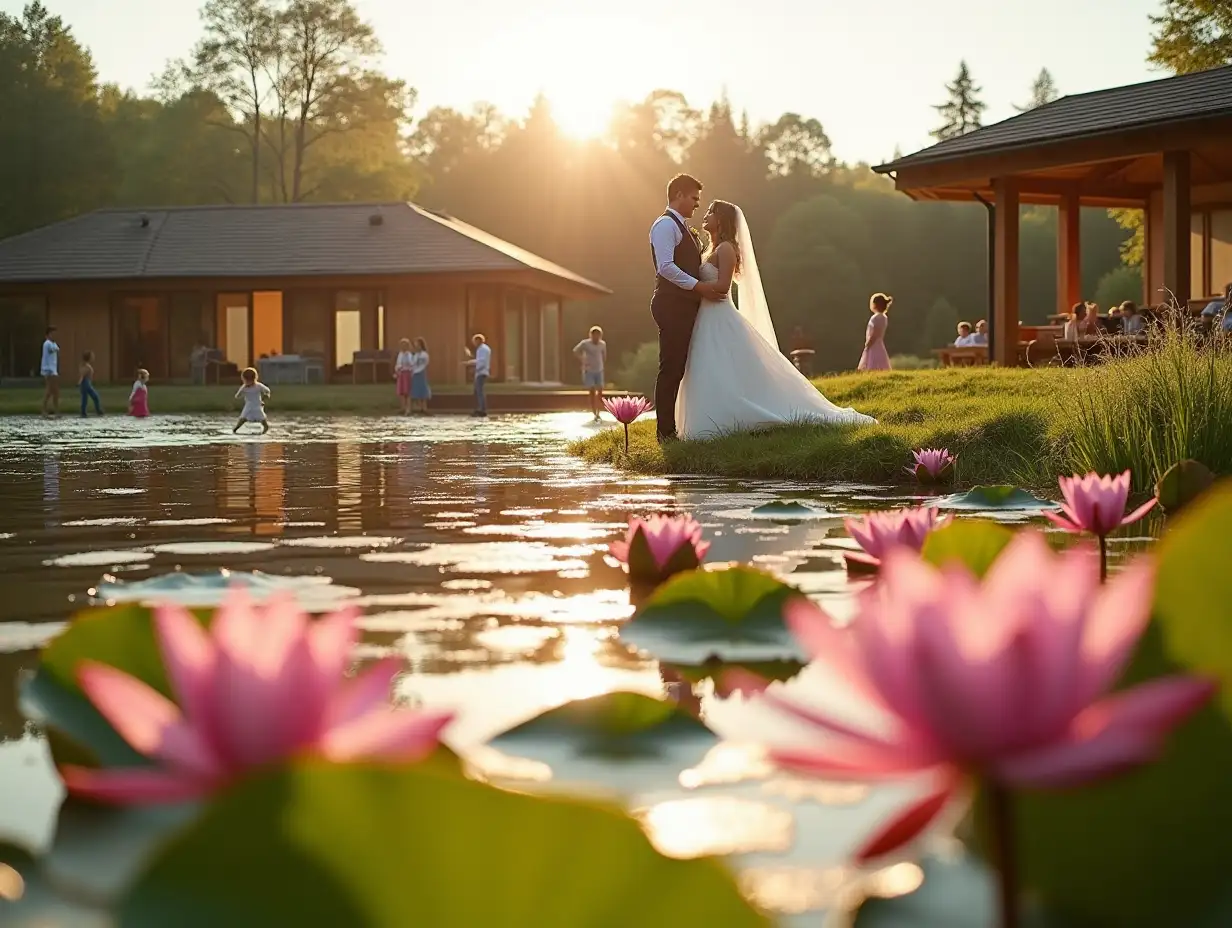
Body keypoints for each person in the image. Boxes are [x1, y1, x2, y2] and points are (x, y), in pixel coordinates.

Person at [674, 199, 874, 440]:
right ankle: (708, 420)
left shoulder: (726, 248)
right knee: (707, 366)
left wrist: (693, 287)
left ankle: (723, 420)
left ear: (722, 219)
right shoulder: (710, 250)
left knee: (716, 364)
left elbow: (723, 286)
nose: (705, 215)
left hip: (719, 315)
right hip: (706, 317)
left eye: (711, 212)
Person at [649, 173, 735, 442]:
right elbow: (665, 267)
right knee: (671, 367)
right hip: (672, 304)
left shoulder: (684, 228)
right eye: (694, 198)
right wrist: (698, 287)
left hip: (685, 306)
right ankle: (665, 432)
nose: (698, 204)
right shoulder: (665, 225)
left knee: (682, 367)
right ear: (679, 195)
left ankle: (682, 424)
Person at [574, 326, 608, 420]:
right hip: (589, 370)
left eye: (598, 335)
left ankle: (599, 411)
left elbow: (604, 355)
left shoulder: (602, 344)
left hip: (599, 370)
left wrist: (602, 364)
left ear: (600, 336)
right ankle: (594, 413)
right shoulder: (585, 343)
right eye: (594, 335)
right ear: (591, 335)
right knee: (592, 391)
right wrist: (582, 359)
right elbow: (575, 350)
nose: (596, 338)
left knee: (600, 391)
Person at [857, 293, 892, 371]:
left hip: (874, 343)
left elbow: (875, 332)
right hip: (879, 342)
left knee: (872, 360)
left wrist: (869, 343)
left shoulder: (876, 317)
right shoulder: (884, 317)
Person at [233, 367, 270, 433]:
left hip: (257, 405)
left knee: (261, 417)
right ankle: (235, 429)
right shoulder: (244, 387)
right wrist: (241, 394)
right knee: (243, 417)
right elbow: (237, 396)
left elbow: (267, 391)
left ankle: (265, 428)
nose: (248, 382)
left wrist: (265, 396)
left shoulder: (258, 386)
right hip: (249, 405)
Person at [463, 333, 491, 417]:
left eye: (474, 341)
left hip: (481, 372)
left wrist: (473, 366)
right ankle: (480, 408)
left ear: (478, 341)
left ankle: (482, 409)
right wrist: (470, 362)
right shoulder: (485, 348)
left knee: (479, 391)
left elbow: (481, 361)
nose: (474, 343)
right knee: (478, 391)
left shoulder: (481, 349)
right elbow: (480, 360)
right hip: (482, 372)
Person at [40, 325, 60, 418]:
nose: (53, 336)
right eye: (52, 334)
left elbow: (57, 349)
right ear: (47, 335)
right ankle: (45, 410)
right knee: (50, 390)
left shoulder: (53, 343)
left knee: (54, 391)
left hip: (53, 370)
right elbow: (53, 350)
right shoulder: (47, 344)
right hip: (49, 370)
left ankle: (54, 411)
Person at [410, 337, 431, 414]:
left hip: (421, 373)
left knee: (423, 389)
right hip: (415, 373)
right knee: (416, 390)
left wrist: (418, 370)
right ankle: (419, 407)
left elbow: (424, 364)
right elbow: (413, 363)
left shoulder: (424, 354)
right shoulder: (415, 355)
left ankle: (424, 408)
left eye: (418, 345)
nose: (416, 346)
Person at [78, 351, 102, 417]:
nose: (93, 357)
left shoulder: (86, 365)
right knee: (89, 398)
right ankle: (85, 412)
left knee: (90, 397)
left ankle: (85, 412)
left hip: (88, 383)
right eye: (92, 356)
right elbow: (82, 375)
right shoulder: (85, 366)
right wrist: (80, 382)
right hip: (85, 383)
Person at [394, 337, 414, 416]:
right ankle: (403, 407)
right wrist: (397, 370)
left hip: (407, 373)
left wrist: (406, 367)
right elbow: (398, 363)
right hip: (401, 373)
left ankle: (408, 409)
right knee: (401, 392)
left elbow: (411, 364)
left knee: (407, 392)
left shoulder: (409, 355)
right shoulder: (400, 354)